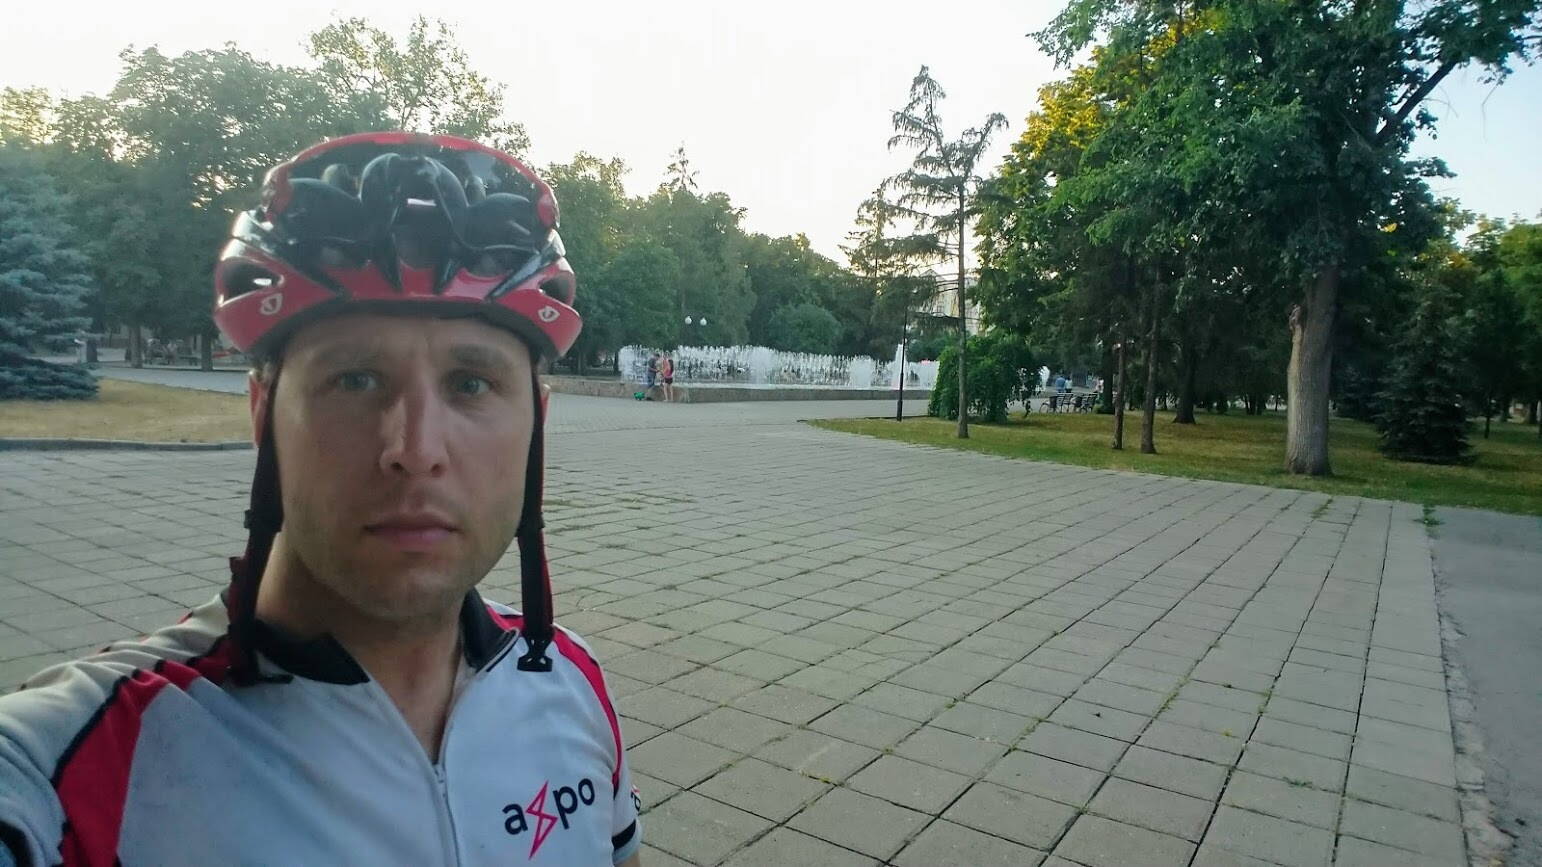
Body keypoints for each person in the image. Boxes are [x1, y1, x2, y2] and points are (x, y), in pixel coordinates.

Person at [0, 132, 642, 867]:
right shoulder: (73, 766)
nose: (416, 448)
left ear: (537, 425)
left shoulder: (573, 683)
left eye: (472, 383)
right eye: (355, 380)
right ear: (262, 414)